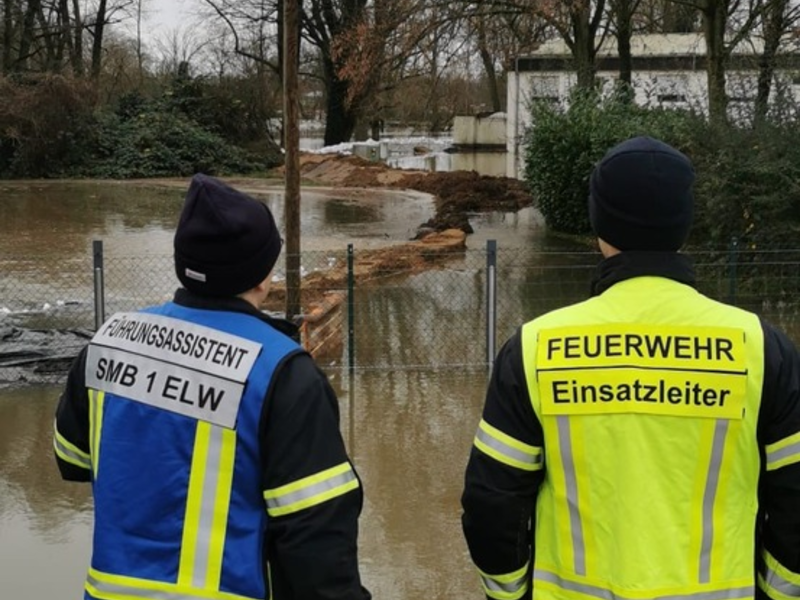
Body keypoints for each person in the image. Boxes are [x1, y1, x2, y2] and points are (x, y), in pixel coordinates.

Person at [461, 136, 800, 600]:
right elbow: (795, 504)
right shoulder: (762, 349)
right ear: (685, 223)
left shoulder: (535, 349)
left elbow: (491, 505)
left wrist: (509, 594)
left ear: (599, 222)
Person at [54, 174, 372, 600]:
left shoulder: (108, 342)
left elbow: (72, 459)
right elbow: (316, 542)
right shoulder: (282, 372)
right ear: (263, 277)